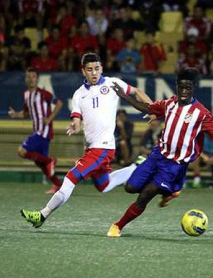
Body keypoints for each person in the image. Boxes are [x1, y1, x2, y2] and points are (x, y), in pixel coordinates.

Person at [20, 53, 152, 228]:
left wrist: (153, 108)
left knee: (71, 177)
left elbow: (136, 91)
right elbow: (77, 118)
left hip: (103, 148)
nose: (94, 73)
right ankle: (137, 166)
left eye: (97, 68)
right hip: (91, 149)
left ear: (102, 69)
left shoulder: (112, 83)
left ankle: (42, 215)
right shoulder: (78, 94)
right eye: (89, 69)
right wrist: (75, 125)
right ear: (83, 71)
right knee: (104, 185)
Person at [106, 68, 213, 237]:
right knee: (130, 187)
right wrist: (124, 96)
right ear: (177, 87)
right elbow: (147, 107)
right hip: (157, 156)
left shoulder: (202, 114)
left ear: (193, 88)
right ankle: (169, 191)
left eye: (188, 88)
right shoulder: (169, 104)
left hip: (174, 165)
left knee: (145, 195)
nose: (184, 91)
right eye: (181, 87)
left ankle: (117, 226)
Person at [8, 67, 63, 194]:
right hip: (38, 132)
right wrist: (15, 114)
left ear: (37, 79)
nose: (31, 79)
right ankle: (58, 185)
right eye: (29, 77)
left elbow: (59, 103)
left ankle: (50, 160)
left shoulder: (44, 94)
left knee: (21, 151)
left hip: (43, 132)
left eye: (33, 77)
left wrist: (49, 119)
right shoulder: (26, 94)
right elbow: (26, 113)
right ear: (26, 79)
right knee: (42, 166)